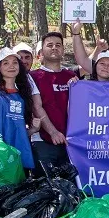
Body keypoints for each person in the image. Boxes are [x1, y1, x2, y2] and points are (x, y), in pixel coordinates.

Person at [29, 31, 78, 169]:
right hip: (43, 141)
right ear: (42, 52)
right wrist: (53, 132)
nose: (54, 48)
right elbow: (36, 107)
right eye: (49, 45)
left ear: (63, 50)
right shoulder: (33, 76)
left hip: (70, 143)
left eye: (58, 45)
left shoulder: (71, 76)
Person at [0, 48, 35, 171]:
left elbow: (20, 131)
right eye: (6, 63)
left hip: (18, 156)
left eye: (15, 62)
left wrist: (34, 129)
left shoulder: (23, 95)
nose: (11, 66)